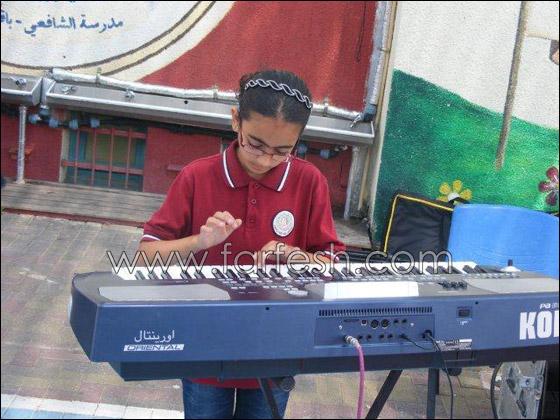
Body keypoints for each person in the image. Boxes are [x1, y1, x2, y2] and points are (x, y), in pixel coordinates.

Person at [138, 69, 346, 419]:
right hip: (205, 341)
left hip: (277, 344)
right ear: (236, 120)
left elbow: (333, 265)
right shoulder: (197, 176)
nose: (265, 160)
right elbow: (145, 257)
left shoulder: (309, 181)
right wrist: (198, 242)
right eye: (256, 144)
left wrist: (293, 255)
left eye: (282, 151)